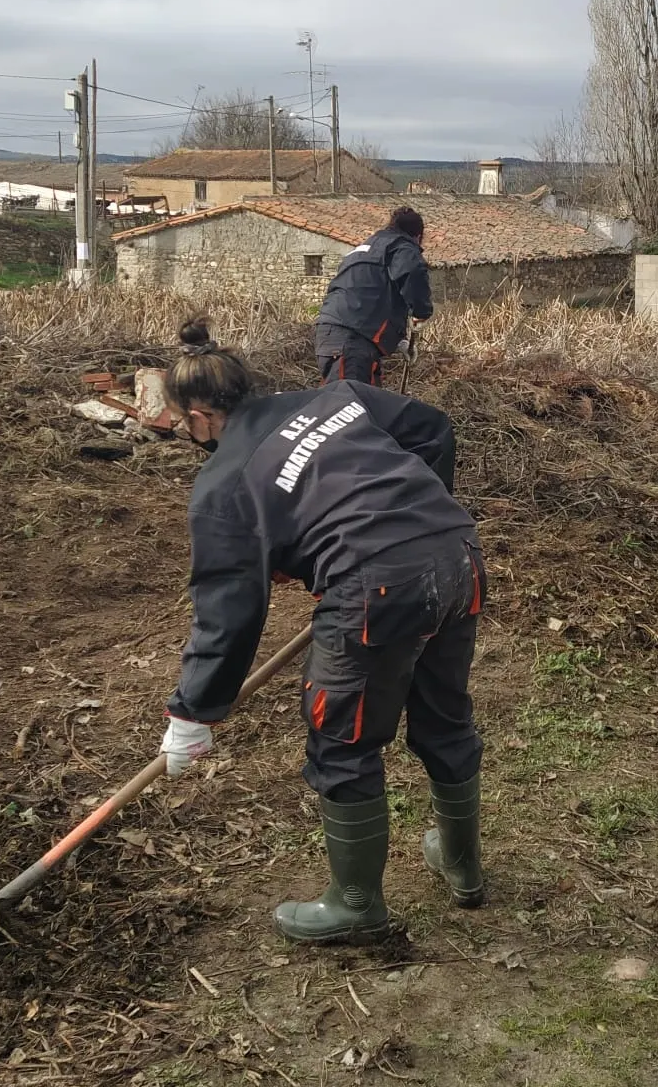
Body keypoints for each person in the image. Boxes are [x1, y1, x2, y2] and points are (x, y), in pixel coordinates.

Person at [158, 320, 487, 944]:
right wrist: (408, 515)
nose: (183, 435)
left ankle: (357, 904)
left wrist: (192, 712)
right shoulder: (333, 397)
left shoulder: (223, 486)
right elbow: (430, 429)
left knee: (343, 736)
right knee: (444, 713)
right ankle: (463, 865)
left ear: (200, 416)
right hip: (455, 550)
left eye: (180, 425)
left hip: (376, 586)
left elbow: (228, 608)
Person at [313, 206, 434, 384]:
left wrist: (398, 340)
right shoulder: (402, 247)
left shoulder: (367, 249)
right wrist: (421, 311)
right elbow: (412, 271)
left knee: (358, 403)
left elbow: (372, 295)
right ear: (417, 237)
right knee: (353, 405)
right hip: (352, 342)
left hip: (330, 335)